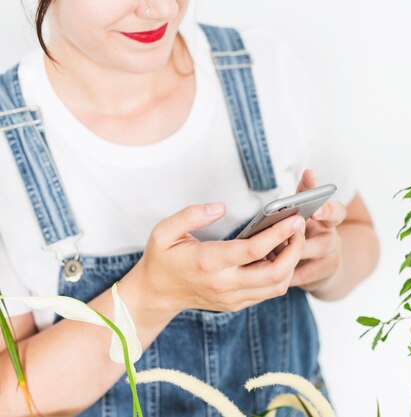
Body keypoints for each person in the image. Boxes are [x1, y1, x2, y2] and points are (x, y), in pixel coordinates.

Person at [0, 0, 380, 416]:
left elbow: (360, 234)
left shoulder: (263, 69)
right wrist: (152, 295)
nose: (161, 9)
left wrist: (328, 265)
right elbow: (10, 395)